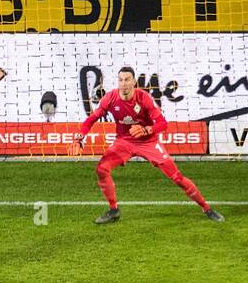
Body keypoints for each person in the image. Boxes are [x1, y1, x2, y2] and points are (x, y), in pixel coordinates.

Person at [72, 67, 223, 225]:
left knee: (177, 178)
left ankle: (206, 208)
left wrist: (146, 129)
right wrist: (79, 139)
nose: (123, 83)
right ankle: (113, 210)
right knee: (102, 169)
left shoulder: (143, 98)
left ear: (134, 82)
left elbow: (163, 124)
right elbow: (91, 120)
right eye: (121, 80)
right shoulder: (110, 98)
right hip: (125, 141)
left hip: (149, 142)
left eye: (127, 79)